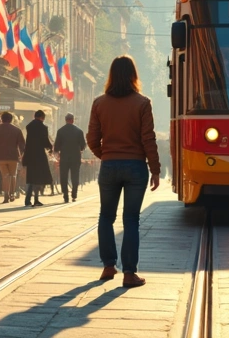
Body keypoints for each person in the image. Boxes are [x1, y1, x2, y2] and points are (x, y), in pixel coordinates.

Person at [87, 55, 160, 289]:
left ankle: (108, 266)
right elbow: (148, 139)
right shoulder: (143, 103)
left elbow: (92, 138)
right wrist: (155, 169)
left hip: (109, 166)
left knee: (106, 217)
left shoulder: (99, 103)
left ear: (110, 75)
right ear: (133, 75)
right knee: (131, 220)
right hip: (136, 167)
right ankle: (129, 273)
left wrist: (105, 155)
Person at [0, 111, 26, 203]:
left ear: (2, 119)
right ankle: (12, 193)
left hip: (0, 156)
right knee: (13, 175)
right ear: (11, 120)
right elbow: (22, 145)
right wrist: (23, 155)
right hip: (13, 156)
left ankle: (6, 194)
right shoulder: (17, 130)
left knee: (5, 175)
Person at [23, 110, 54, 207]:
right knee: (39, 178)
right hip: (39, 155)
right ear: (42, 117)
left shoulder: (29, 126)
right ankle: (36, 199)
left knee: (31, 178)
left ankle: (27, 199)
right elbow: (45, 141)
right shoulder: (43, 127)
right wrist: (50, 148)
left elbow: (28, 141)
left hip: (30, 154)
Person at [54, 113, 87, 203]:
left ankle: (65, 196)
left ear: (65, 120)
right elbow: (83, 145)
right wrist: (80, 149)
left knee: (63, 176)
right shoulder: (79, 131)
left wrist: (57, 152)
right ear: (73, 120)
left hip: (64, 157)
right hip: (75, 157)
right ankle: (74, 194)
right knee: (75, 175)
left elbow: (56, 146)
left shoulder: (60, 131)